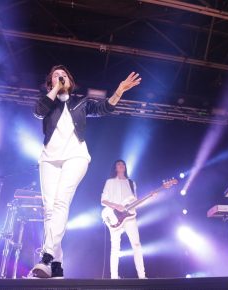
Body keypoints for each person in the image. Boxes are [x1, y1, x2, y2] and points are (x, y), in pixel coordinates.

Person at [29, 65, 141, 279]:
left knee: (61, 201)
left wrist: (119, 91)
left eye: (63, 75)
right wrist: (54, 89)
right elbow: (37, 112)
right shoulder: (47, 103)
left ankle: (47, 257)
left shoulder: (80, 102)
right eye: (55, 76)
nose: (60, 77)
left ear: (70, 81)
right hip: (49, 159)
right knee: (49, 210)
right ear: (50, 83)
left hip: (76, 157)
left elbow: (104, 108)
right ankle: (58, 263)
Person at [101, 160, 146, 279]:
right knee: (115, 247)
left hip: (129, 216)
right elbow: (103, 200)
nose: (121, 165)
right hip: (114, 216)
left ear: (125, 167)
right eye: (118, 164)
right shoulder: (109, 182)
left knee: (136, 245)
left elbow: (135, 202)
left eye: (123, 164)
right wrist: (116, 206)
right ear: (115, 168)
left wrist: (150, 196)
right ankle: (114, 277)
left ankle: (142, 276)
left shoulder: (131, 183)